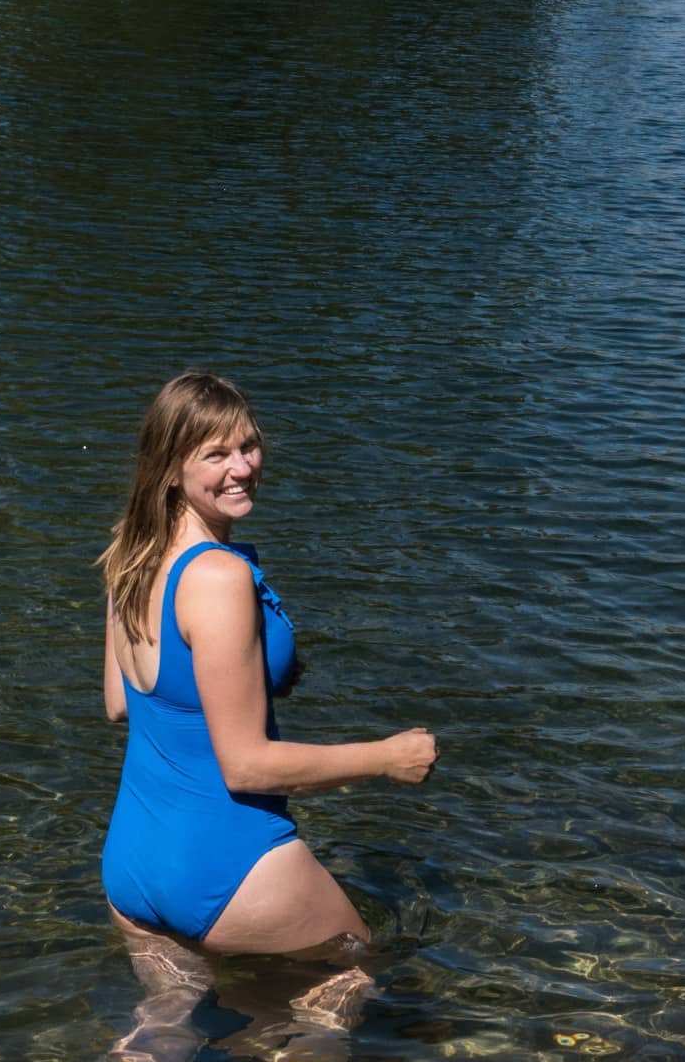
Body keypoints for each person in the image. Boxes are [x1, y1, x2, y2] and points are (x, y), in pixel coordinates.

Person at [99, 368, 437, 967]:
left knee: (162, 1043)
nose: (243, 467)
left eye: (248, 445)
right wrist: (388, 758)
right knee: (349, 987)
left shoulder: (132, 552)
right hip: (223, 858)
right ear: (171, 468)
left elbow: (122, 701)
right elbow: (247, 766)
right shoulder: (217, 576)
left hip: (134, 856)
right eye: (216, 454)